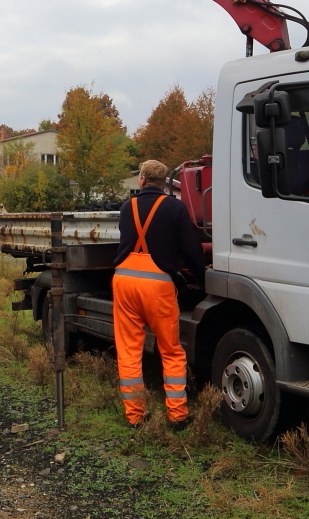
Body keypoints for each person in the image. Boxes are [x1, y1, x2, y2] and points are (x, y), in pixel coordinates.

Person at [112, 159, 206, 431]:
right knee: (171, 350)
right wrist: (200, 278)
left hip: (124, 281)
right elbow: (191, 249)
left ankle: (135, 416)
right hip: (157, 285)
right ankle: (177, 416)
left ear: (141, 179)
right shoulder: (175, 208)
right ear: (164, 183)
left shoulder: (127, 207)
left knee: (129, 351)